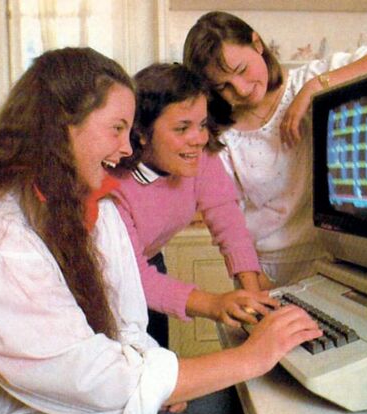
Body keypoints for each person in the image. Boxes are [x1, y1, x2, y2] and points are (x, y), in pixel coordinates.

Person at [0, 47, 322, 414]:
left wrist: (157, 378)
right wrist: (250, 357)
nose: (126, 149)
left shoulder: (94, 210)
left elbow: (127, 322)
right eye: (116, 129)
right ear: (59, 127)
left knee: (254, 404)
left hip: (101, 400)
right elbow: (86, 376)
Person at [183, 11, 367, 284]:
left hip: (337, 261)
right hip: (264, 270)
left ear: (257, 44)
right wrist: (255, 287)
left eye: (241, 70)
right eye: (223, 86)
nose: (240, 89)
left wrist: (314, 88)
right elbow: (229, 223)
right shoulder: (221, 135)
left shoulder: (309, 79)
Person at [110, 63, 274, 348]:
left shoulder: (202, 158)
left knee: (158, 357)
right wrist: (214, 304)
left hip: (148, 262)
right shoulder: (113, 187)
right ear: (141, 132)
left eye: (201, 125)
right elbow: (134, 277)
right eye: (182, 127)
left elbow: (229, 223)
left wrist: (254, 299)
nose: (198, 139)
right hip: (111, 277)